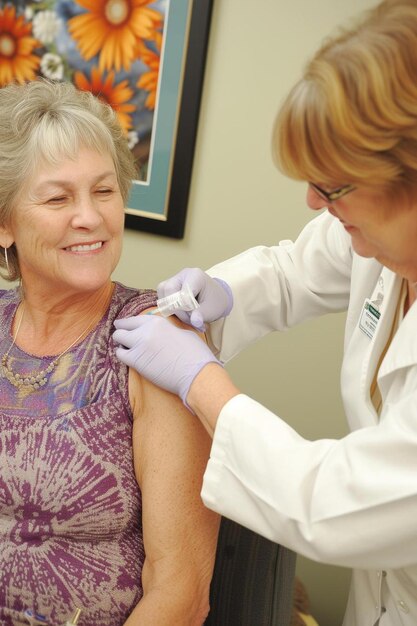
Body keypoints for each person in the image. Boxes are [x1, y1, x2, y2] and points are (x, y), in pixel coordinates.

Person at [112, 1, 417, 625]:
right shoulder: (384, 239)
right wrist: (218, 292)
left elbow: (330, 503)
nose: (312, 201)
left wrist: (202, 382)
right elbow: (292, 270)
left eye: (334, 186)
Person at [0, 78, 219, 626]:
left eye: (104, 191)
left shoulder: (157, 342)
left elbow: (182, 593)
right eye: (57, 198)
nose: (91, 217)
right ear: (4, 224)